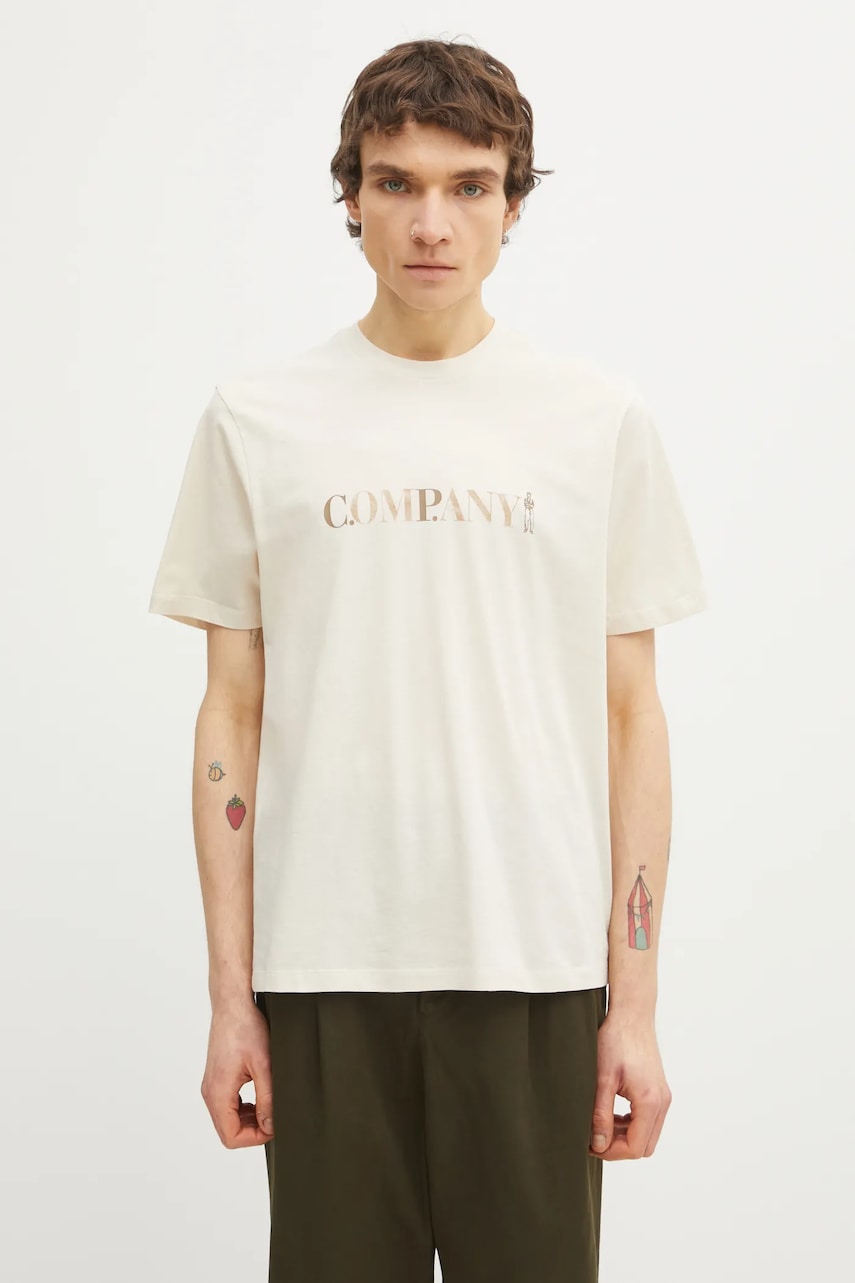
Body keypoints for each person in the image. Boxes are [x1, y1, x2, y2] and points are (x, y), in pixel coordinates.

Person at [148, 35, 707, 1283]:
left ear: (514, 202)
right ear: (351, 195)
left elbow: (632, 716)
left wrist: (635, 1004)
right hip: (323, 971)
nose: (432, 223)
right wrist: (233, 998)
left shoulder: (596, 420)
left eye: (469, 185)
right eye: (397, 182)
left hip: (536, 971)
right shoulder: (257, 419)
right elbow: (229, 714)